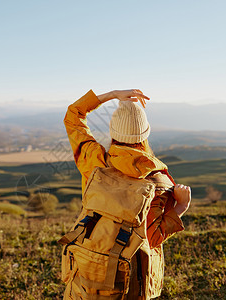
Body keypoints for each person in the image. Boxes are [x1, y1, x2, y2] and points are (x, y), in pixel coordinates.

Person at [62, 89, 191, 299]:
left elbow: (73, 115)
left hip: (89, 269)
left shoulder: (95, 161)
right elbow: (152, 237)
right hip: (130, 281)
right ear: (145, 134)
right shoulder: (156, 180)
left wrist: (113, 95)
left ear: (113, 132)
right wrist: (181, 206)